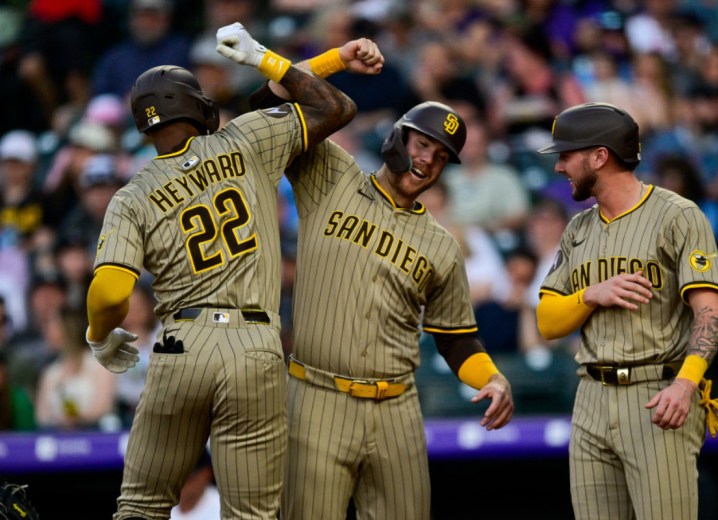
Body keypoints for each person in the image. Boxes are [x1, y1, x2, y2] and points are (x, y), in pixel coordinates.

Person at [84, 22, 357, 519]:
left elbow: (108, 291)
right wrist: (277, 58)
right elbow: (333, 107)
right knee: (252, 514)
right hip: (254, 345)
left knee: (141, 505)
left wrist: (100, 336)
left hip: (181, 344)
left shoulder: (133, 194)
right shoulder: (244, 139)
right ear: (196, 106)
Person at [254, 75, 514, 520]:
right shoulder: (333, 175)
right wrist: (305, 64)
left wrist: (491, 377)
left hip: (397, 408)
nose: (427, 160)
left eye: (440, 156)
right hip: (318, 395)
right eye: (422, 144)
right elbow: (264, 118)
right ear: (397, 136)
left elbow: (455, 337)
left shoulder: (441, 244)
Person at [535, 102, 718, 519]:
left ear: (599, 156)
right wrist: (590, 295)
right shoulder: (578, 228)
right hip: (589, 396)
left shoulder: (677, 215)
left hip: (656, 393)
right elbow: (547, 322)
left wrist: (685, 385)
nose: (559, 168)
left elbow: (710, 312)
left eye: (566, 156)